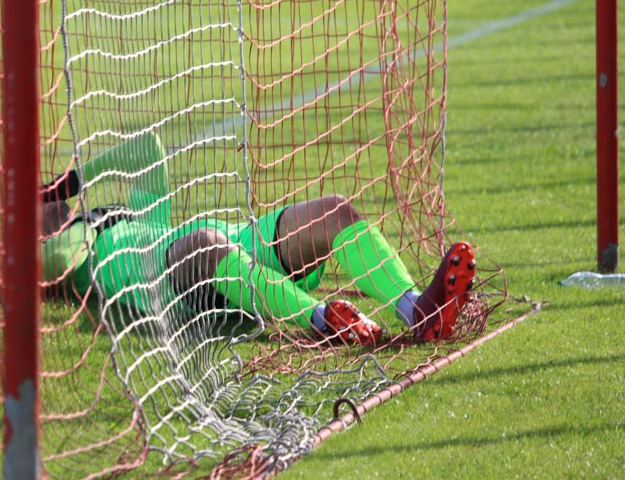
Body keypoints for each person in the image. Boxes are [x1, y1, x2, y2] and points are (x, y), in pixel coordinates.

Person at [39, 133, 476, 345]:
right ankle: (323, 319)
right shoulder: (78, 255)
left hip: (238, 246)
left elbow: (147, 149)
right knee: (204, 241)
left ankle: (416, 309)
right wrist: (45, 226)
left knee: (334, 211)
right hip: (180, 279)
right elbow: (50, 261)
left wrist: (66, 184)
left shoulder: (134, 215)